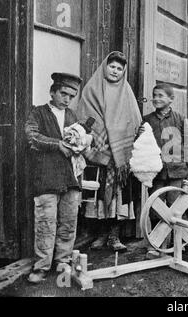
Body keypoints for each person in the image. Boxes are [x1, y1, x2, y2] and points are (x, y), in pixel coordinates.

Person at [72, 51, 143, 252]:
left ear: (123, 72)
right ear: (105, 66)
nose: (115, 71)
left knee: (119, 193)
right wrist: (104, 133)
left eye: (120, 68)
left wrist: (119, 136)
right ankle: (100, 234)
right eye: (112, 66)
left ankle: (114, 235)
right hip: (100, 150)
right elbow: (86, 116)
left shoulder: (126, 91)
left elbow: (133, 120)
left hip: (120, 154)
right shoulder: (92, 88)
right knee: (99, 193)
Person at [25, 72, 83, 283]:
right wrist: (56, 144)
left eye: (72, 95)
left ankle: (63, 262)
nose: (67, 99)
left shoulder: (73, 116)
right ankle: (41, 267)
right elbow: (31, 135)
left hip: (69, 178)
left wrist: (82, 144)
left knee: (68, 222)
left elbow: (81, 142)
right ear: (52, 92)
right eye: (63, 93)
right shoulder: (38, 113)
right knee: (46, 223)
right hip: (46, 176)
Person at [142, 83, 188, 258]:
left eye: (161, 96)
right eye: (155, 95)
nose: (157, 99)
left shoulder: (180, 119)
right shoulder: (147, 120)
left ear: (171, 99)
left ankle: (179, 241)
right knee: (155, 207)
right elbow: (141, 144)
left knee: (176, 207)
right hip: (156, 172)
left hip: (177, 171)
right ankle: (156, 243)